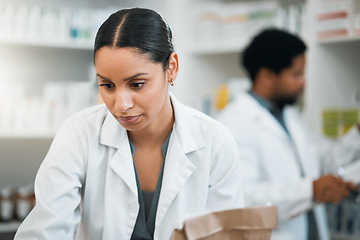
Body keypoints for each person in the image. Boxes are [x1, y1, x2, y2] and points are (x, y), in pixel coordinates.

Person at [14, 8, 244, 240]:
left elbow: (226, 235)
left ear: (171, 67)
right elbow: (45, 230)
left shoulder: (216, 142)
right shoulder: (79, 134)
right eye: (107, 85)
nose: (121, 105)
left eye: (136, 84)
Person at [216, 28, 360, 240]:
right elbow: (245, 199)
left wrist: (357, 133)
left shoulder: (291, 116)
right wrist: (311, 190)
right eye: (297, 75)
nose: (304, 83)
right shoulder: (232, 124)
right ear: (266, 77)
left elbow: (326, 163)